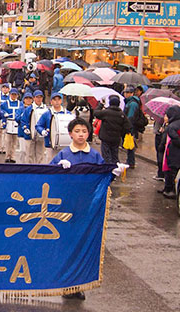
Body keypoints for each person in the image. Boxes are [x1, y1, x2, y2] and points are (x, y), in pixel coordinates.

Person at [50, 117, 127, 301]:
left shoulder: (94, 156)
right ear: (70, 134)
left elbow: (102, 178)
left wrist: (113, 173)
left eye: (84, 131)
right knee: (68, 245)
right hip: (67, 207)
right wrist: (58, 169)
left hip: (87, 208)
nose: (81, 134)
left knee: (83, 246)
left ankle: (78, 285)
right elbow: (48, 174)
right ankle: (66, 285)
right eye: (77, 131)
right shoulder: (63, 155)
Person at [35, 92, 73, 163]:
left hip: (64, 143)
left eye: (58, 99)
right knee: (51, 163)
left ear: (61, 101)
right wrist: (42, 131)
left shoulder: (68, 114)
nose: (57, 102)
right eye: (55, 100)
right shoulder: (47, 114)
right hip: (50, 144)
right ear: (51, 102)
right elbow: (38, 125)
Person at [93, 96, 131, 166]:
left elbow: (95, 113)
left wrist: (101, 105)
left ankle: (108, 168)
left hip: (105, 137)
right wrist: (121, 133)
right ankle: (115, 168)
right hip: (116, 138)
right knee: (114, 154)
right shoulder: (122, 114)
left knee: (106, 155)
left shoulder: (106, 112)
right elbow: (127, 127)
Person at [158, 106, 180, 199]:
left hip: (173, 152)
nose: (165, 117)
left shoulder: (172, 126)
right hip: (174, 152)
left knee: (171, 171)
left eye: (166, 115)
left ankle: (170, 190)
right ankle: (168, 188)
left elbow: (174, 139)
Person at [124, 86, 141, 169]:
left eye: (127, 93)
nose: (125, 94)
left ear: (131, 93)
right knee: (129, 144)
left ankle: (131, 161)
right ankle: (130, 161)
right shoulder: (129, 102)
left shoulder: (132, 103)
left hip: (131, 127)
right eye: (125, 92)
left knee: (130, 144)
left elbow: (130, 117)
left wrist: (128, 127)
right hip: (131, 126)